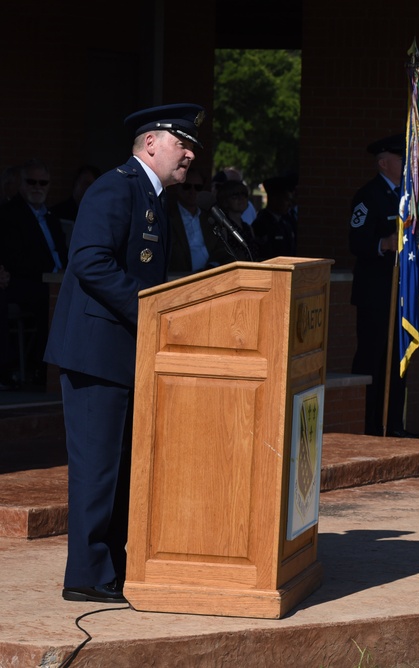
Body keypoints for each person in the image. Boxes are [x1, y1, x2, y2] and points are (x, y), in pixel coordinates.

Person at [44, 103, 204, 604]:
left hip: (127, 353)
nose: (191, 154)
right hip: (97, 354)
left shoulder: (155, 198)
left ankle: (114, 566)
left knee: (123, 468)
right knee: (98, 467)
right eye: (183, 144)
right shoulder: (116, 187)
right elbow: (89, 262)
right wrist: (153, 307)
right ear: (152, 143)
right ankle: (87, 575)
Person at [349, 133, 419, 438]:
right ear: (384, 162)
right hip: (375, 293)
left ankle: (393, 425)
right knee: (372, 358)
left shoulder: (406, 197)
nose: (406, 165)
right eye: (401, 159)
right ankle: (367, 425)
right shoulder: (368, 196)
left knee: (397, 360)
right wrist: (385, 242)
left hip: (399, 293)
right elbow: (356, 241)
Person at [0, 158, 68, 384]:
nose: (38, 187)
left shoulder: (51, 218)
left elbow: (64, 253)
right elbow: (15, 259)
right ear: (21, 184)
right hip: (26, 283)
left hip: (55, 281)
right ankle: (40, 369)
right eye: (32, 182)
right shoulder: (9, 215)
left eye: (43, 183)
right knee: (49, 302)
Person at [165, 168, 230, 274]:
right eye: (187, 186)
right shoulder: (166, 216)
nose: (192, 191)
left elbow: (221, 248)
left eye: (198, 187)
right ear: (177, 187)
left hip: (210, 277)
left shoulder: (211, 217)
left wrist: (211, 266)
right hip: (178, 280)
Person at [251, 175, 297, 259]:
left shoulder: (287, 221)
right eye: (286, 200)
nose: (289, 204)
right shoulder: (261, 223)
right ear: (274, 199)